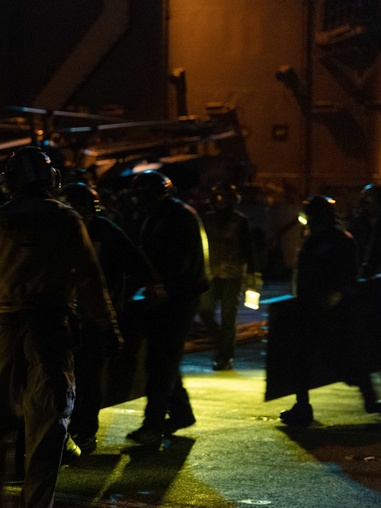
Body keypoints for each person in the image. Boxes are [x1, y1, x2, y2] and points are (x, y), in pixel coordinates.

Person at [0, 147, 120, 508]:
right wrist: (108, 326)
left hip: (2, 328)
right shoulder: (67, 218)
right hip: (50, 328)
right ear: (52, 179)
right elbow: (89, 277)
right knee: (48, 427)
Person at [60, 182, 156, 452]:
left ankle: (85, 429)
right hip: (70, 316)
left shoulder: (104, 231)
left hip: (91, 317)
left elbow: (137, 266)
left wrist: (119, 302)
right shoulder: (67, 228)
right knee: (70, 377)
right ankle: (74, 427)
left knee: (88, 377)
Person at [125, 170, 210, 447]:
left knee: (160, 362)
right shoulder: (163, 214)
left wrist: (160, 288)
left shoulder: (177, 217)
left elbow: (177, 263)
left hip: (177, 299)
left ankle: (153, 424)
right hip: (171, 296)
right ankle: (181, 413)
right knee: (165, 359)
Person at [280, 195, 379, 426]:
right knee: (303, 358)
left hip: (331, 311)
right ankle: (302, 406)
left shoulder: (338, 240)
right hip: (310, 307)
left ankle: (371, 399)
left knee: (342, 359)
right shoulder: (315, 239)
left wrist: (334, 297)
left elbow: (347, 274)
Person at [199, 183, 259, 371]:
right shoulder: (206, 219)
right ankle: (222, 342)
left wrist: (252, 275)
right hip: (211, 273)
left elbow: (249, 248)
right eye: (218, 197)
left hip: (233, 274)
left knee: (228, 316)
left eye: (224, 197)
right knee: (205, 311)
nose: (220, 201)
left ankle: (225, 356)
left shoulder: (240, 221)